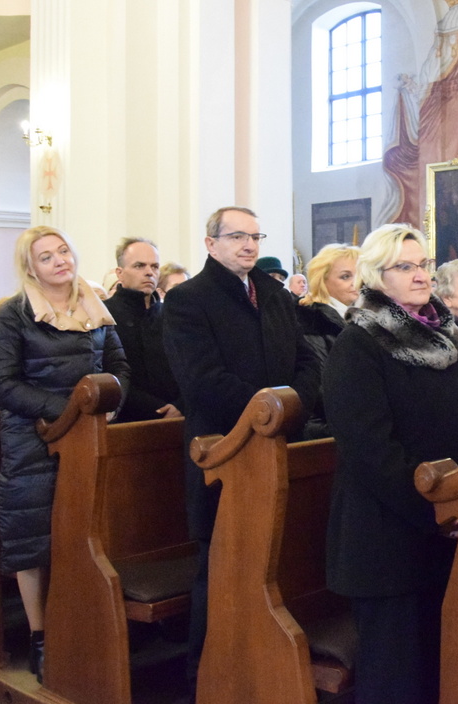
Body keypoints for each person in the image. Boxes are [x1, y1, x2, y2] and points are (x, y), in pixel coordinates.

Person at [323, 224, 458, 704]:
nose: (420, 276)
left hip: (444, 529)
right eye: (404, 267)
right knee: (395, 680)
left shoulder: (445, 336)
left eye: (423, 265)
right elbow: (371, 452)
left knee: (440, 667)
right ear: (377, 277)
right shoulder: (359, 344)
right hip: (387, 538)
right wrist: (438, 512)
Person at [162, 206, 321, 674]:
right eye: (237, 236)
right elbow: (201, 380)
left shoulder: (273, 295)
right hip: (224, 451)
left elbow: (307, 362)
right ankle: (206, 676)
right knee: (220, 566)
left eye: (255, 236)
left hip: (281, 440)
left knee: (276, 561)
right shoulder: (188, 299)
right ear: (211, 244)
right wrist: (264, 414)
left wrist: (289, 409)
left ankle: (265, 672)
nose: (249, 245)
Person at [0, 226, 129, 682]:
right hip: (34, 436)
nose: (59, 261)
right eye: (46, 256)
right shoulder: (13, 314)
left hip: (89, 432)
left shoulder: (94, 305)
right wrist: (67, 412)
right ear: (31, 268)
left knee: (85, 533)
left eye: (63, 251)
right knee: (33, 536)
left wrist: (112, 403)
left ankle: (82, 624)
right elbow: (2, 383)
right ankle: (40, 635)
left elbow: (118, 365)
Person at [104, 237, 181, 422]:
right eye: (139, 266)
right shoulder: (105, 314)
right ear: (120, 273)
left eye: (154, 266)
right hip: (126, 418)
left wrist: (181, 404)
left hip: (178, 417)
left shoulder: (172, 315)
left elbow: (189, 366)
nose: (149, 272)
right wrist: (157, 410)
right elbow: (110, 372)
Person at [295, 243, 360, 440]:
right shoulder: (310, 320)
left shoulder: (365, 316)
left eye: (359, 275)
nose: (356, 283)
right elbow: (322, 386)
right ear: (322, 281)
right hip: (326, 429)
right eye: (345, 276)